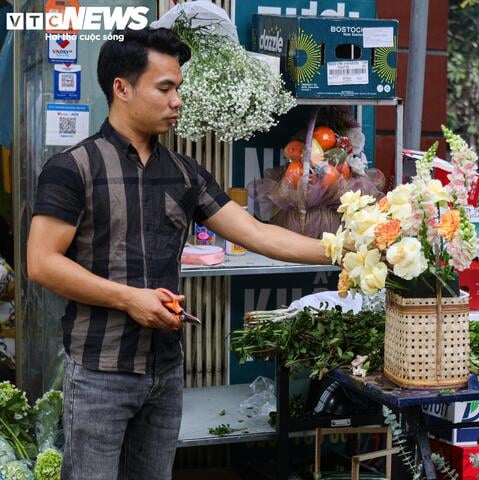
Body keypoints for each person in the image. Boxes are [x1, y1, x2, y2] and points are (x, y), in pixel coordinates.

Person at [26, 28, 328, 480]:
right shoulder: (73, 169)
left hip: (165, 373)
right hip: (99, 373)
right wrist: (130, 299)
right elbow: (41, 262)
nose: (177, 101)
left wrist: (346, 249)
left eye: (178, 88)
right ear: (122, 89)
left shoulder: (186, 174)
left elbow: (259, 233)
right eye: (165, 88)